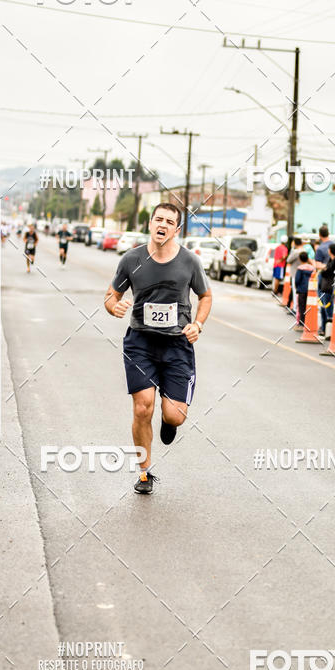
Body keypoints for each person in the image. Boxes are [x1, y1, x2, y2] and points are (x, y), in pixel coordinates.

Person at [105, 203, 213, 495]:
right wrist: (115, 307)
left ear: (176, 229)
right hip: (140, 343)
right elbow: (111, 296)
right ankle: (144, 473)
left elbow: (205, 297)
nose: (162, 225)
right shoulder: (132, 259)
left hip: (177, 345)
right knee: (142, 408)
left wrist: (198, 324)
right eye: (158, 219)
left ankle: (169, 421)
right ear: (150, 223)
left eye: (169, 221)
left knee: (174, 415)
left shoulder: (190, 262)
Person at [317, 242, 335, 335]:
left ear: (330, 251)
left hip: (328, 288)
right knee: (325, 310)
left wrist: (324, 269)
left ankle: (328, 331)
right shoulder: (334, 261)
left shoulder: (334, 262)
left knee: (328, 311)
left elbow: (327, 272)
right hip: (328, 288)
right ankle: (324, 329)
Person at [294, 251, 315, 328]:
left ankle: (301, 323)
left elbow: (297, 280)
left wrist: (297, 287)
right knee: (308, 307)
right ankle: (308, 322)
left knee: (301, 307)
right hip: (310, 290)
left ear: (299, 259)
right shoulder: (312, 268)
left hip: (302, 290)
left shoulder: (300, 268)